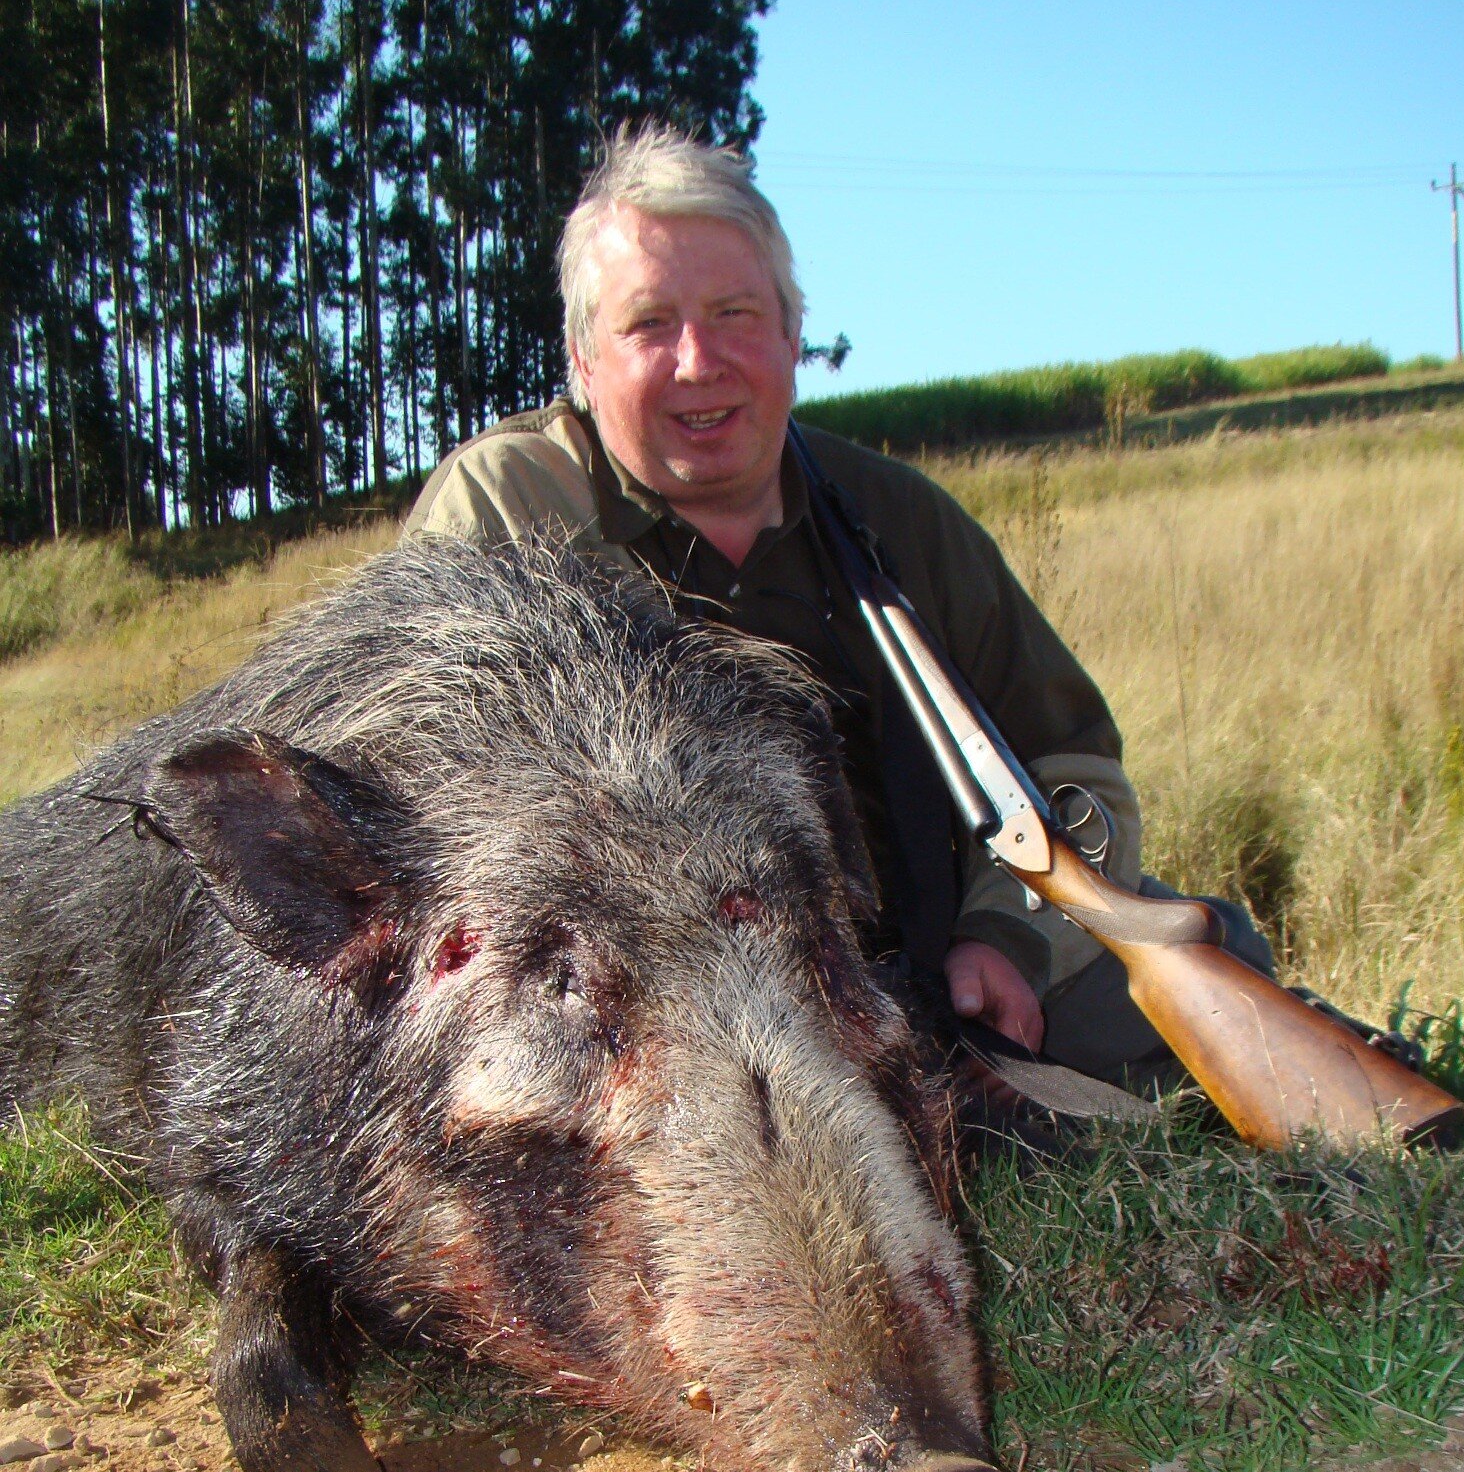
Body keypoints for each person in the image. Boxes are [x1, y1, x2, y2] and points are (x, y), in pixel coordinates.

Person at [404, 122, 1272, 1109]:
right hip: (655, 1029)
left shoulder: (899, 519)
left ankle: (977, 1092)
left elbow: (1073, 770)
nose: (699, 360)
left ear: (791, 332)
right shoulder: (506, 514)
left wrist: (1008, 940)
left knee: (1214, 955)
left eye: (735, 312)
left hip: (934, 973)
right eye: (649, 324)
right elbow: (435, 845)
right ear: (582, 360)